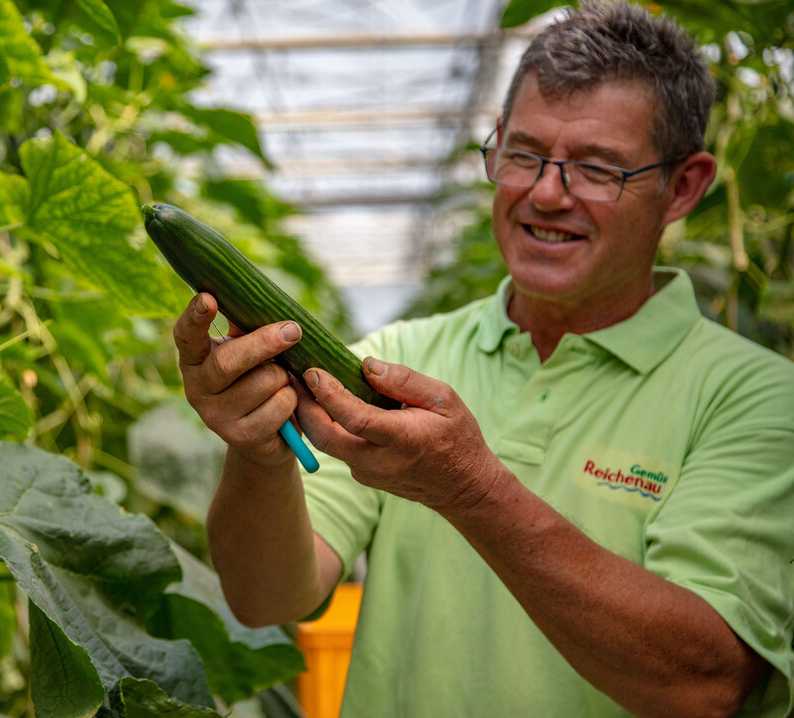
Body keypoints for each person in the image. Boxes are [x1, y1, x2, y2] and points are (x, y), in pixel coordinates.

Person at [171, 2, 794, 716]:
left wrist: (470, 490)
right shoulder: (399, 356)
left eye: (596, 168)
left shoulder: (757, 399)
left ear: (682, 186)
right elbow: (268, 597)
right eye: (523, 154)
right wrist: (257, 454)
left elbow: (700, 684)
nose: (544, 194)